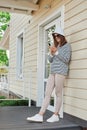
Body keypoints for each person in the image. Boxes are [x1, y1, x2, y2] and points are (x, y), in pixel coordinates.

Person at [27, 27, 72, 123]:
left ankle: (56, 115)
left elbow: (66, 59)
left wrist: (56, 52)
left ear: (62, 36)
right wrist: (51, 53)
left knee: (58, 94)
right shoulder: (56, 46)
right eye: (55, 36)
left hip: (61, 72)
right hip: (52, 72)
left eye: (58, 36)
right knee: (47, 93)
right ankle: (40, 115)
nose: (56, 38)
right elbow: (50, 60)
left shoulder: (67, 46)